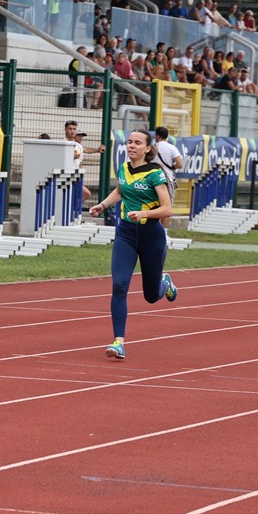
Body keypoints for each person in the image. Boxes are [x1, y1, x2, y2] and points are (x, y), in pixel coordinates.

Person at [89, 129, 178, 360]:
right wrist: (103, 205)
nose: (131, 146)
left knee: (151, 296)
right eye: (129, 142)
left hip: (151, 237)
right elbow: (120, 191)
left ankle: (165, 283)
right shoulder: (124, 168)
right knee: (119, 285)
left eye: (137, 143)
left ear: (147, 148)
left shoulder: (155, 174)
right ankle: (118, 342)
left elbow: (167, 209)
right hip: (126, 235)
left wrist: (144, 213)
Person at [153, 126, 184, 233]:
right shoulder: (172, 148)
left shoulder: (152, 148)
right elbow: (179, 164)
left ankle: (152, 229)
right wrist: (172, 167)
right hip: (167, 179)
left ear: (158, 136)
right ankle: (164, 231)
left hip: (152, 178)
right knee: (167, 205)